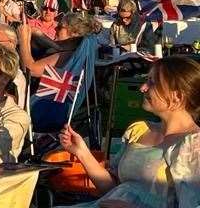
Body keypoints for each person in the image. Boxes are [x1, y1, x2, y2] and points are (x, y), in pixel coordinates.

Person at [57, 56, 200, 208]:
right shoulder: (140, 130)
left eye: (152, 82)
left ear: (177, 96)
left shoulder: (192, 145)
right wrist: (82, 153)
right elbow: (113, 189)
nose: (143, 88)